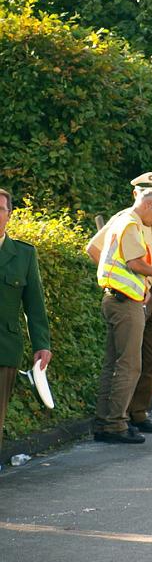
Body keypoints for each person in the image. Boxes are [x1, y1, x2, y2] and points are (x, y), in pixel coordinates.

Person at [86, 172, 152, 434]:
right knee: (127, 363)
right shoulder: (126, 221)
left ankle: (135, 415)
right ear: (141, 197)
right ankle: (116, 420)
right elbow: (103, 253)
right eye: (148, 191)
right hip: (131, 297)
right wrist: (122, 281)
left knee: (147, 362)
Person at [0, 189, 52, 454]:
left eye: (0, 209)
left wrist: (41, 344)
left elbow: (35, 305)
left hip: (5, 347)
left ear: (9, 215)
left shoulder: (23, 254)